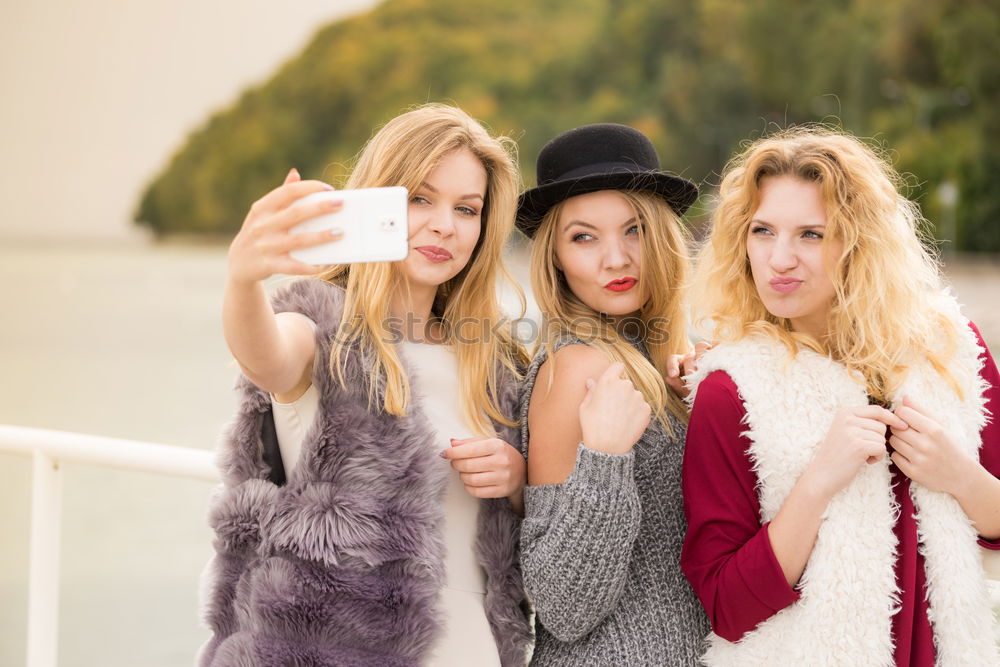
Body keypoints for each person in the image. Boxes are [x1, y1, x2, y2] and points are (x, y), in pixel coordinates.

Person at [198, 104, 534, 666]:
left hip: (472, 649)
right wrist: (243, 277)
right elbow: (265, 355)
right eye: (420, 199)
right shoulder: (324, 329)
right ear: (377, 199)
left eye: (467, 209)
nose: (445, 225)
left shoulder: (494, 360)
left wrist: (518, 480)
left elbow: (530, 524)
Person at [681, 127, 1000, 666]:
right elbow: (726, 606)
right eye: (762, 231)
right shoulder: (730, 389)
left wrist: (961, 476)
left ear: (859, 240)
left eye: (811, 234)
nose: (780, 259)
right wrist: (818, 483)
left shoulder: (952, 352)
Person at [515, 123, 710, 665]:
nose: (616, 259)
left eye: (634, 230)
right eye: (584, 237)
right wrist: (604, 455)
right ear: (555, 256)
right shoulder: (576, 368)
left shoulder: (669, 359)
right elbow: (561, 607)